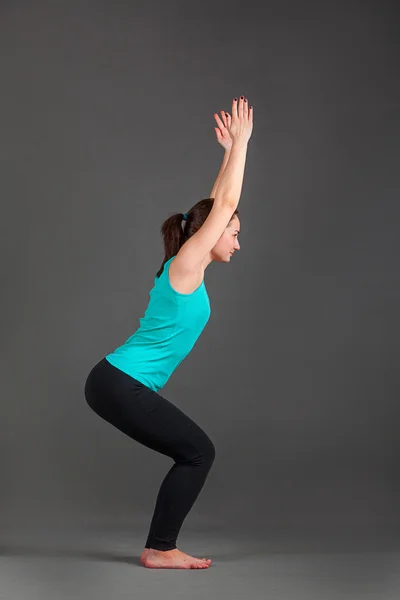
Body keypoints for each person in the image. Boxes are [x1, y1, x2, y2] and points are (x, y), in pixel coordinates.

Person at [84, 96, 254, 569]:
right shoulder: (185, 265)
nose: (237, 241)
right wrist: (241, 144)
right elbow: (225, 204)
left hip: (114, 382)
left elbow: (217, 203)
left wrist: (225, 156)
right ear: (210, 234)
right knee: (198, 451)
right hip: (119, 382)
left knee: (195, 451)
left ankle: (160, 546)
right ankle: (160, 548)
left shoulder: (188, 268)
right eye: (234, 232)